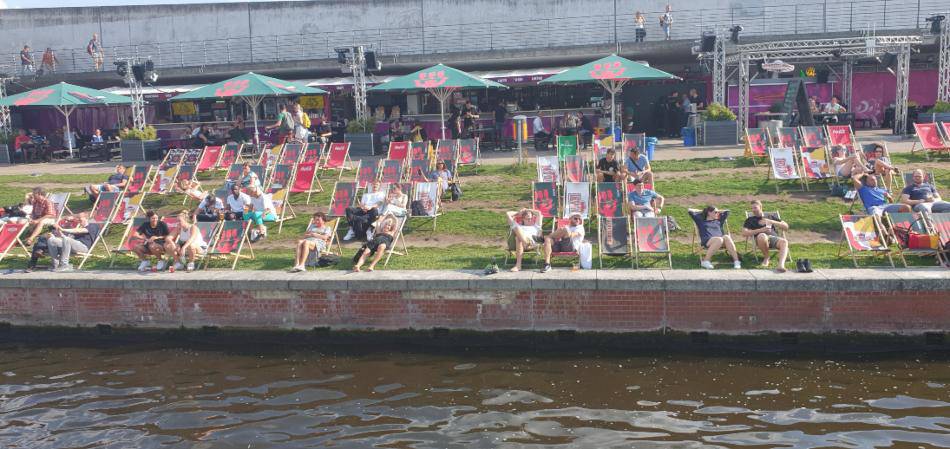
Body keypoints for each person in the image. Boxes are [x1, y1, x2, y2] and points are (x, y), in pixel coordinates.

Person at [741, 200, 790, 273]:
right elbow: (744, 233)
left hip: (773, 238)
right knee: (762, 235)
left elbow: (786, 227)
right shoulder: (750, 220)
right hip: (760, 239)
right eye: (752, 208)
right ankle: (766, 257)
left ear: (760, 207)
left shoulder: (770, 216)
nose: (753, 210)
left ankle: (781, 265)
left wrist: (772, 221)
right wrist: (761, 230)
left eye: (755, 208)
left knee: (784, 242)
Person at [506, 208, 543, 272]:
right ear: (523, 219)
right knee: (517, 233)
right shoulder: (519, 226)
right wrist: (519, 212)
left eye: (531, 218)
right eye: (528, 218)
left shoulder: (536, 226)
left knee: (518, 237)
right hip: (521, 244)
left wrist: (528, 210)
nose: (530, 220)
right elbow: (508, 214)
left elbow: (538, 213)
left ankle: (518, 265)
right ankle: (525, 243)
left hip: (532, 244)